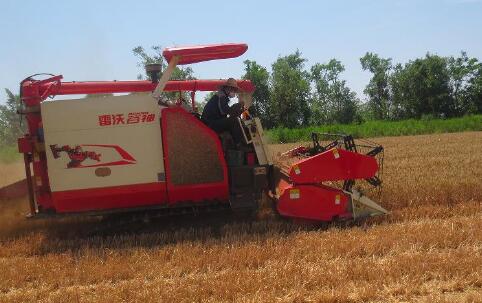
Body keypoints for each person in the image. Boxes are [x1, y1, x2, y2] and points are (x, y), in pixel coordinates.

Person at [201, 78, 245, 144]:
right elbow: (225, 110)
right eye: (234, 89)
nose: (234, 92)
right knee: (234, 121)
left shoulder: (221, 96)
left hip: (211, 122)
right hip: (210, 124)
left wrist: (239, 111)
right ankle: (240, 144)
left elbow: (226, 112)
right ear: (229, 88)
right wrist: (238, 105)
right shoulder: (221, 96)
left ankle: (233, 144)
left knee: (233, 121)